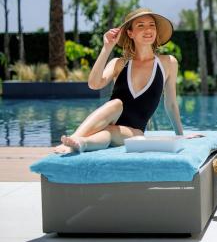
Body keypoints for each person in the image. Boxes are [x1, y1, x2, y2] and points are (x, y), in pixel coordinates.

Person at [55, 8, 197, 154]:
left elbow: (171, 104)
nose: (148, 29)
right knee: (116, 103)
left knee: (110, 132)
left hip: (134, 132)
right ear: (130, 33)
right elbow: (94, 84)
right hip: (109, 119)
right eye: (141, 25)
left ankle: (80, 143)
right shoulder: (119, 64)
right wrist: (106, 48)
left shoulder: (168, 63)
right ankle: (74, 139)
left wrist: (180, 135)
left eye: (151, 25)